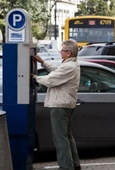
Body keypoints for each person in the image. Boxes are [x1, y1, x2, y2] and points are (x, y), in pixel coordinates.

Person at [32, 39, 81, 170]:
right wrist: (42, 62)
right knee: (67, 136)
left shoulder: (69, 67)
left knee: (60, 138)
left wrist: (35, 78)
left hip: (60, 105)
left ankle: (66, 167)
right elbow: (57, 70)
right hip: (66, 104)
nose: (60, 51)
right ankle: (75, 165)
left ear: (68, 53)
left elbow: (51, 80)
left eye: (62, 50)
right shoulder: (71, 65)